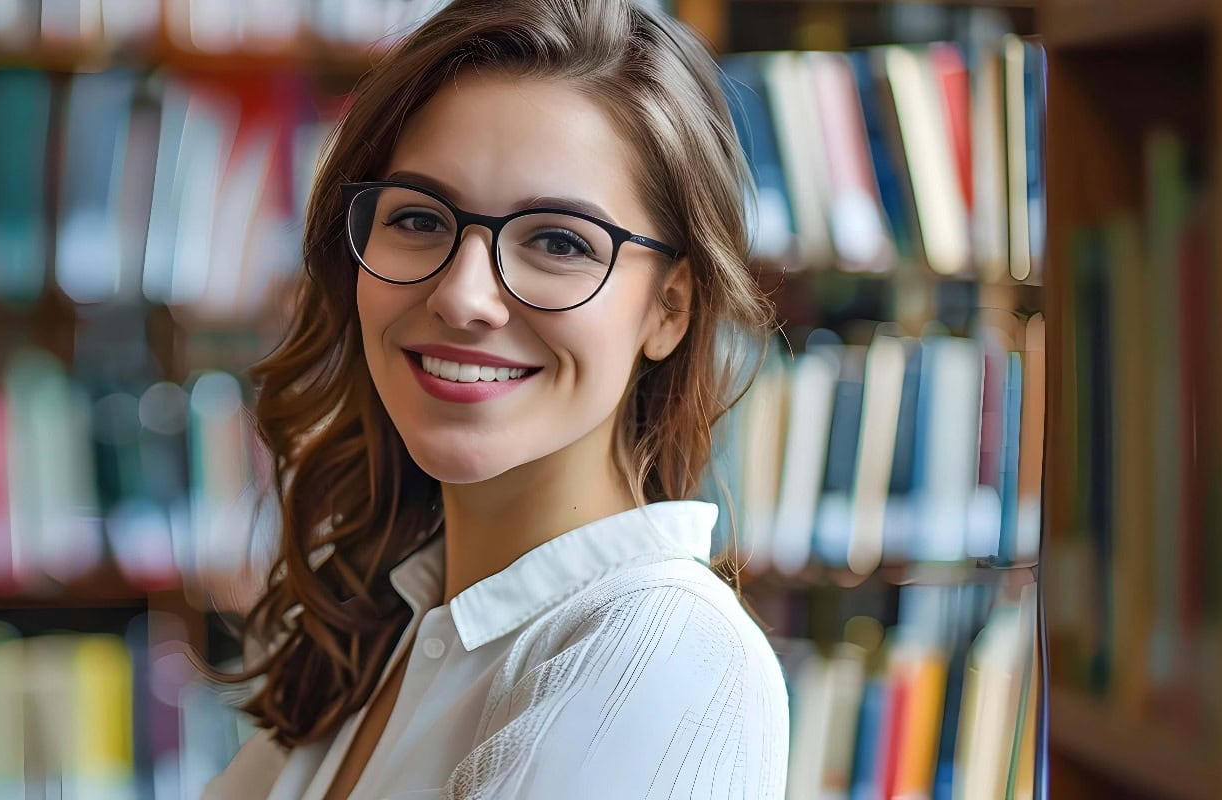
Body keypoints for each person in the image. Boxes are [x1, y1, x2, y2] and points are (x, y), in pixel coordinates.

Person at [200, 0, 789, 796]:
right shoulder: (383, 633)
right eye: (417, 218)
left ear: (669, 309)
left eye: (558, 241)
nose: (463, 296)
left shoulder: (664, 652)